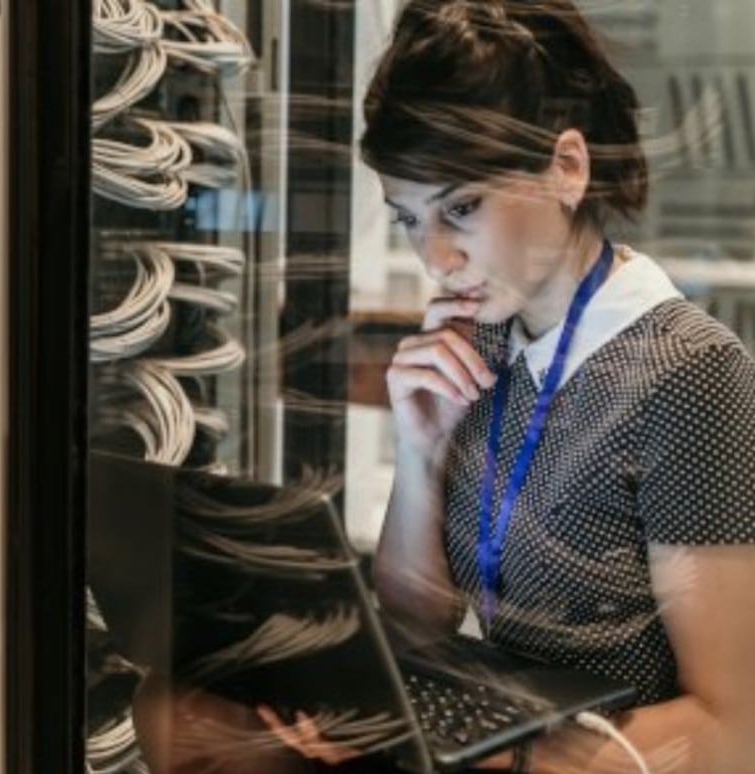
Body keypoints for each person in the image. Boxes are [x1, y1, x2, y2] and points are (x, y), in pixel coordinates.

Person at [263, 0, 755, 770]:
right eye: (408, 220)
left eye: (460, 208)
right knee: (183, 706)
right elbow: (417, 625)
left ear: (566, 168)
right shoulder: (483, 337)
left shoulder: (687, 374)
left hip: (594, 758)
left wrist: (490, 762)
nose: (435, 258)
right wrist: (420, 450)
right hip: (497, 725)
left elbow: (730, 732)